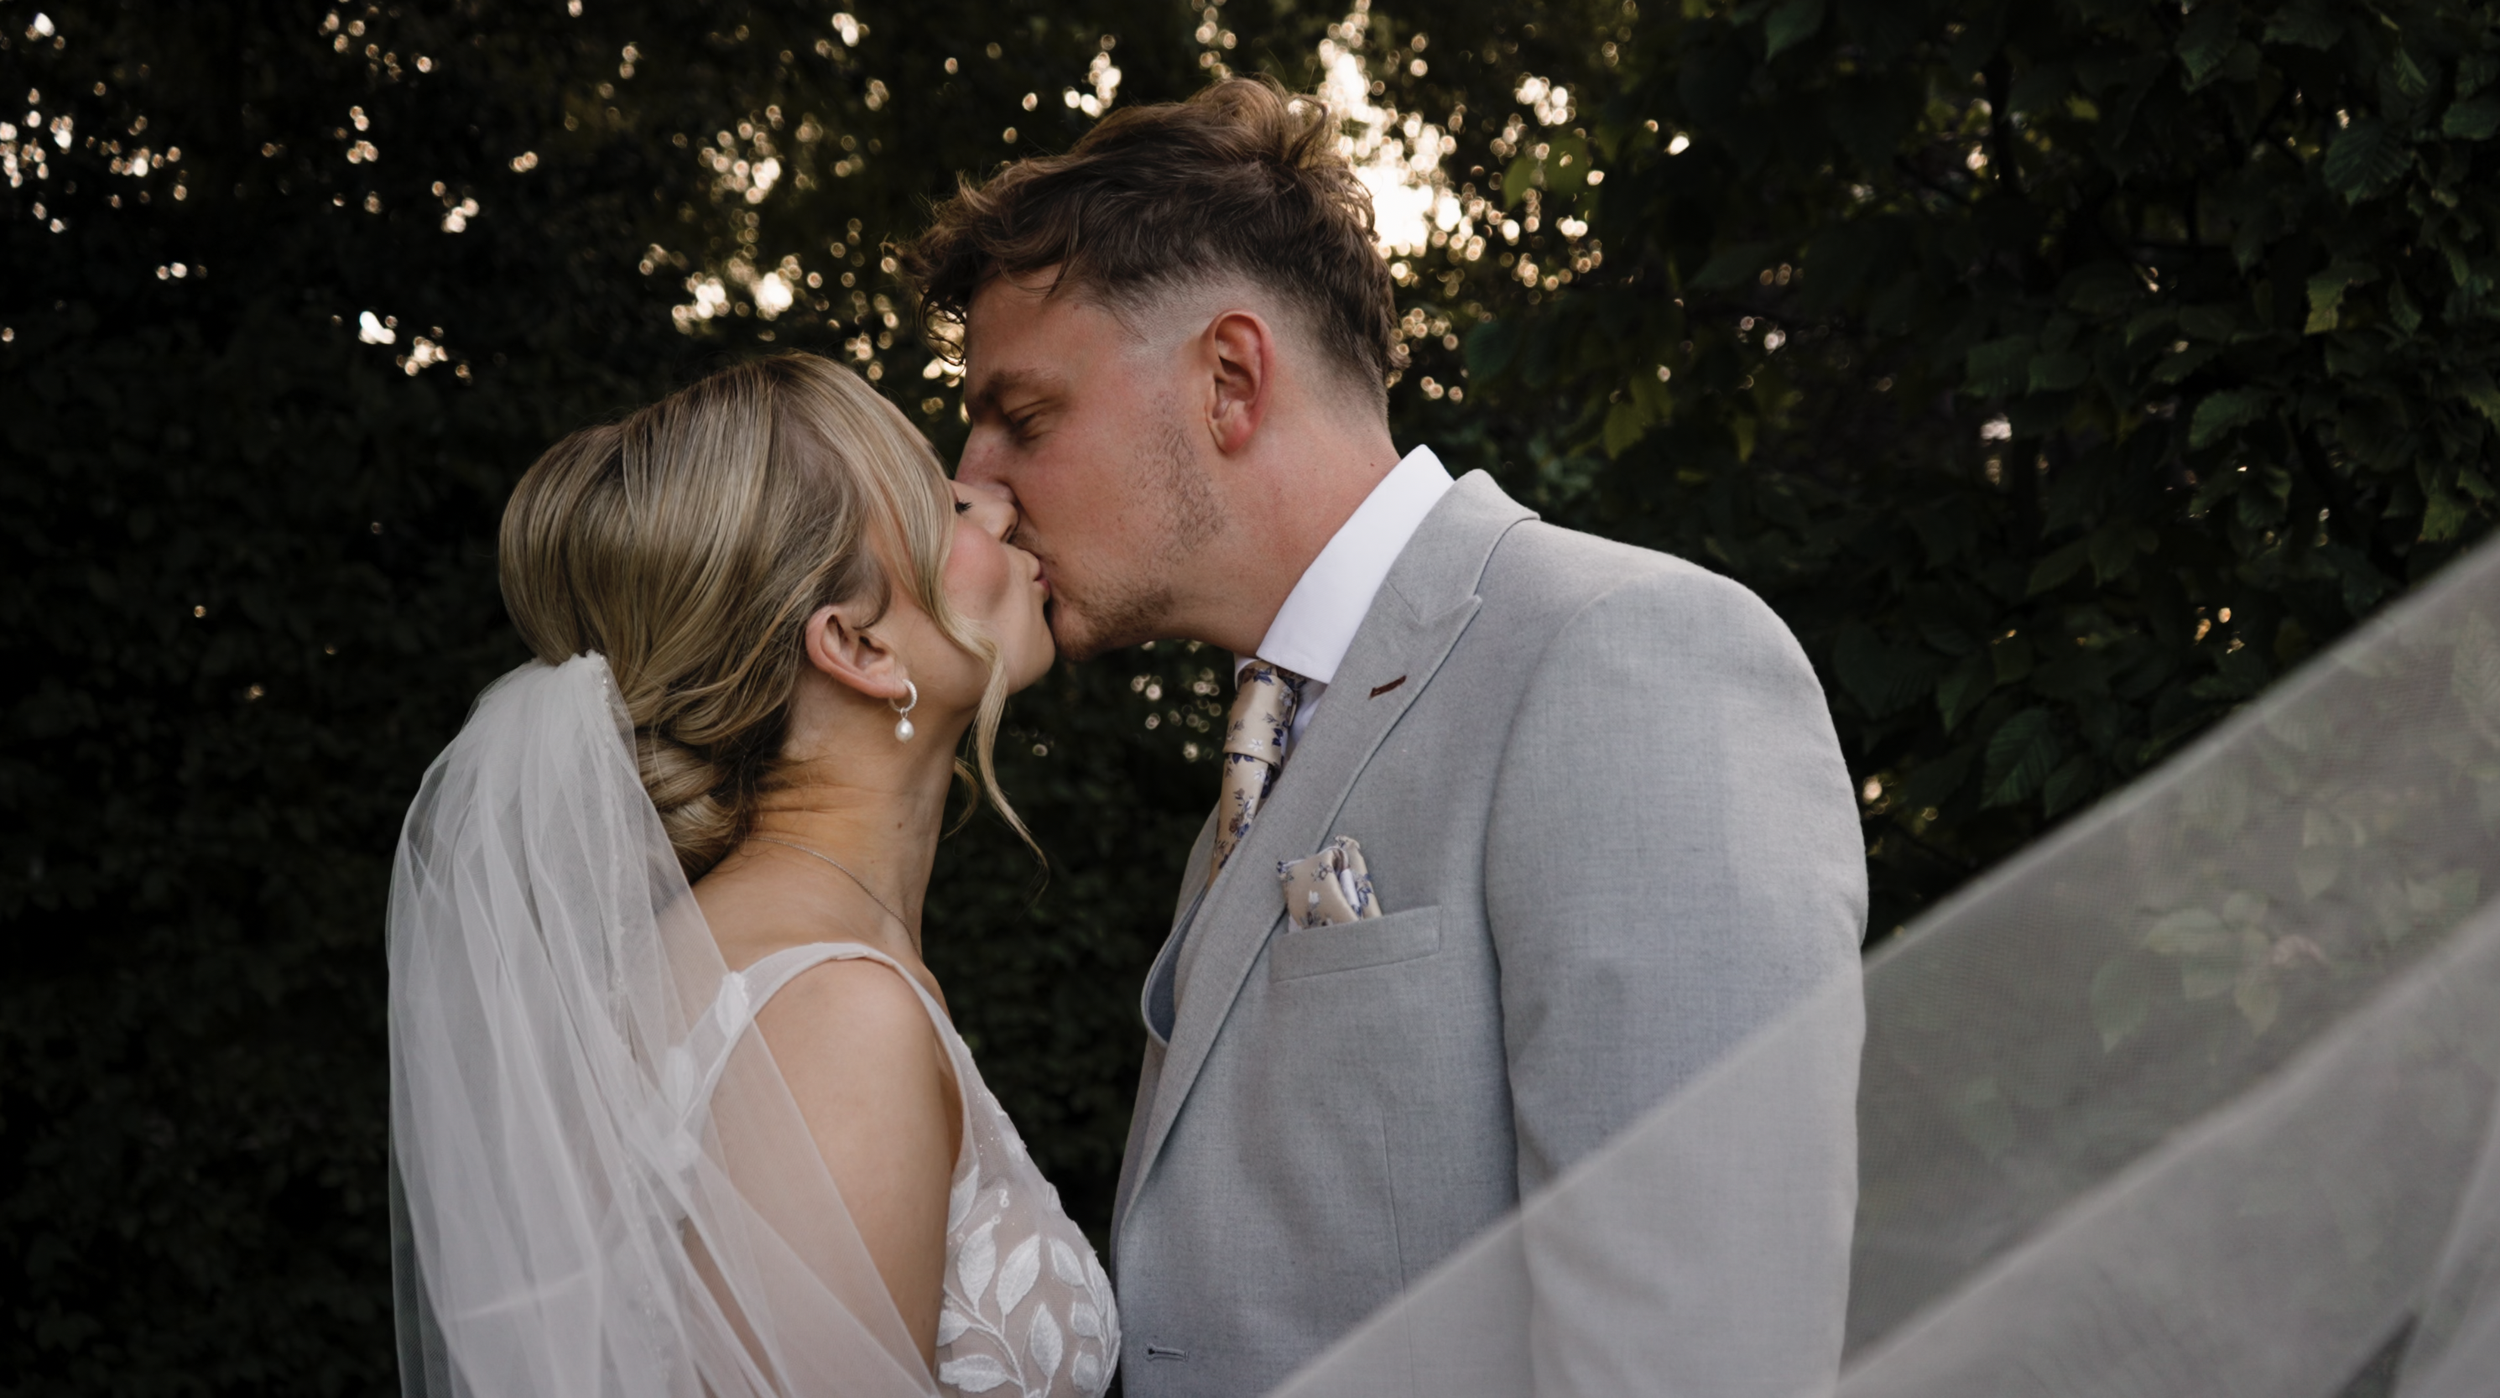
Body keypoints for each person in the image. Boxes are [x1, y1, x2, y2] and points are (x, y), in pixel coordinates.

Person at [906, 77, 1869, 1397]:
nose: (978, 480)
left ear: (1230, 380)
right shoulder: (1270, 743)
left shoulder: (1623, 653)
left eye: (1024, 416)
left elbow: (1699, 1353)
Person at [388, 355, 1117, 1398]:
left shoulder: (727, 963)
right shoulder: (833, 1014)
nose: (996, 503)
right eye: (938, 502)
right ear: (857, 647)